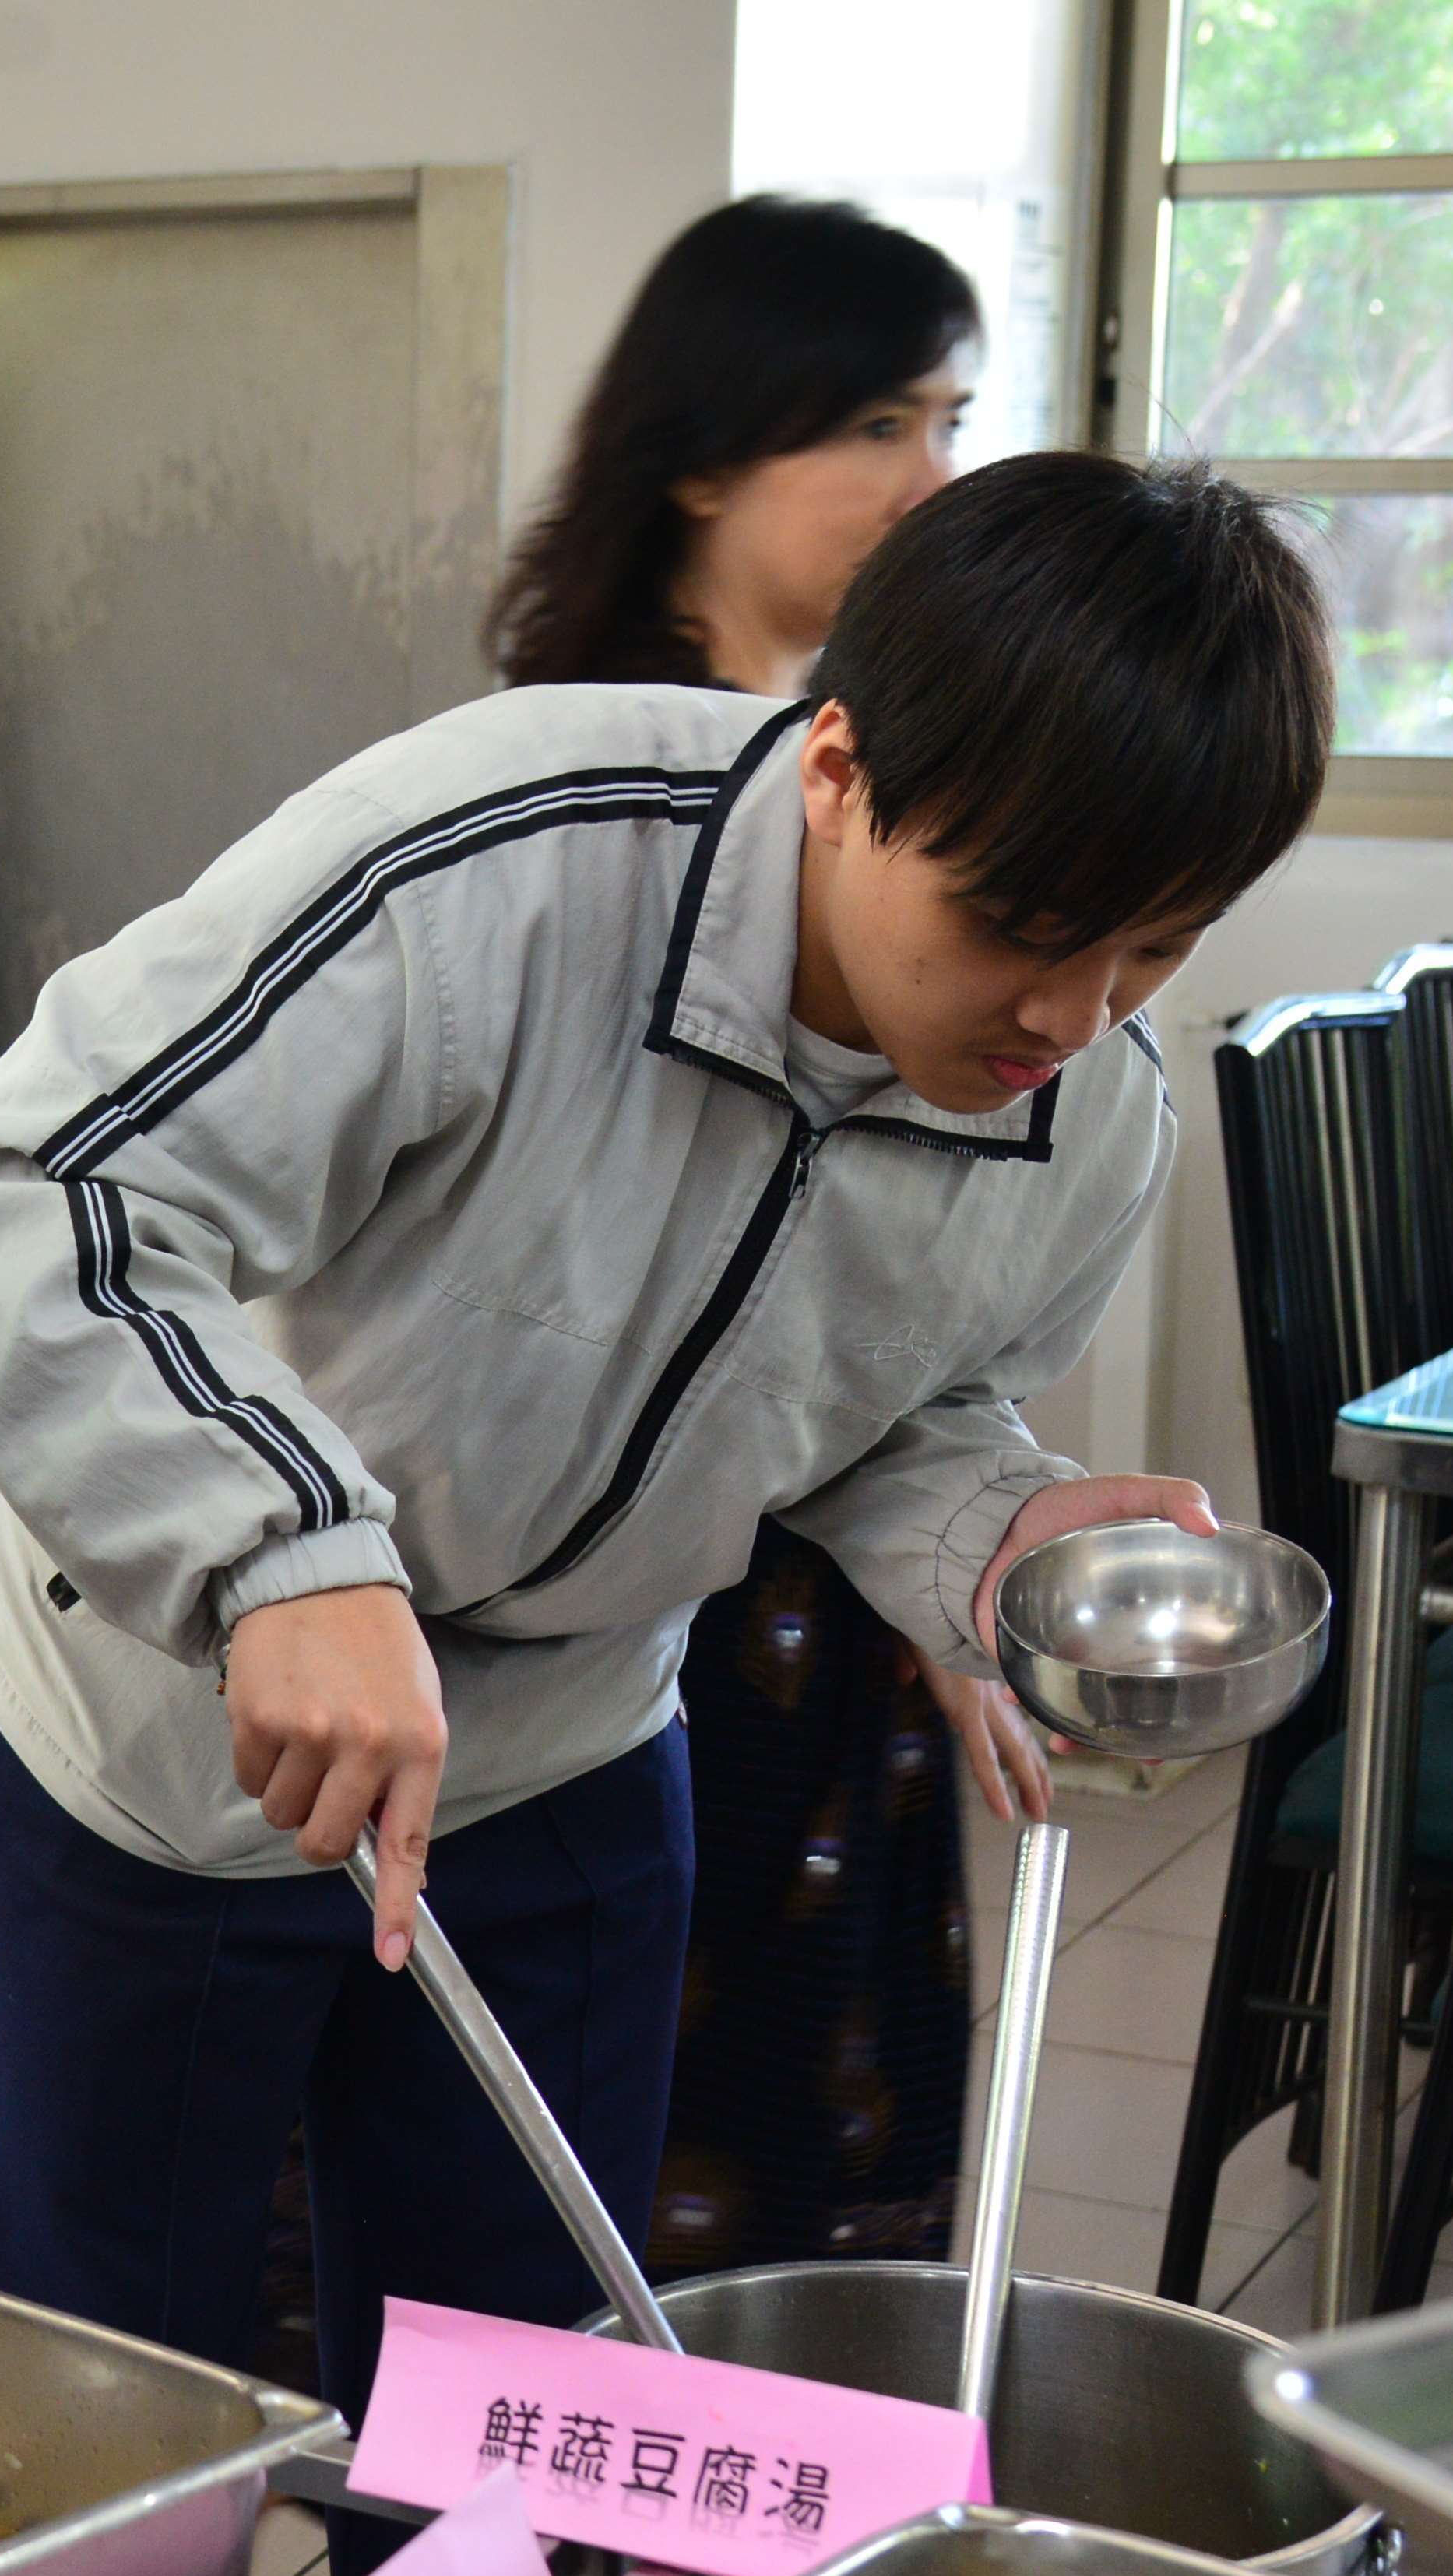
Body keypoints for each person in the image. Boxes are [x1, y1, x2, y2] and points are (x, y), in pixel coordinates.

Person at [0, 452, 1332, 2576]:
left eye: (1152, 951)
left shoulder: (1086, 1107)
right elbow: (32, 1189)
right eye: (1019, 931)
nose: (1067, 1019)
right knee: (84, 2423)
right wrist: (285, 1545)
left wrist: (994, 1541)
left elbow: (892, 1406)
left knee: (527, 2422)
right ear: (838, 767)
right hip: (170, 1726)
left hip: (566, 1738)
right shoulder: (507, 867)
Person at [484, 195, 1047, 2279]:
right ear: (709, 450)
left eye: (954, 417)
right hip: (625, 1585)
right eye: (885, 424)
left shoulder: (860, 771)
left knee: (771, 2196)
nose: (938, 481)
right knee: (569, 2189)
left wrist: (972, 1534)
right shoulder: (580, 799)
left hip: (819, 1585)